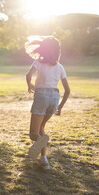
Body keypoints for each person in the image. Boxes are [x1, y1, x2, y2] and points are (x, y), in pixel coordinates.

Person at [25, 36, 70, 170]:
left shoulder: (38, 62)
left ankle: (41, 142)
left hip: (42, 97)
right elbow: (67, 91)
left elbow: (28, 75)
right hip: (54, 99)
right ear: (58, 51)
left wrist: (29, 85)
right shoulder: (60, 67)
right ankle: (44, 160)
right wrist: (60, 107)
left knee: (33, 134)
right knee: (41, 128)